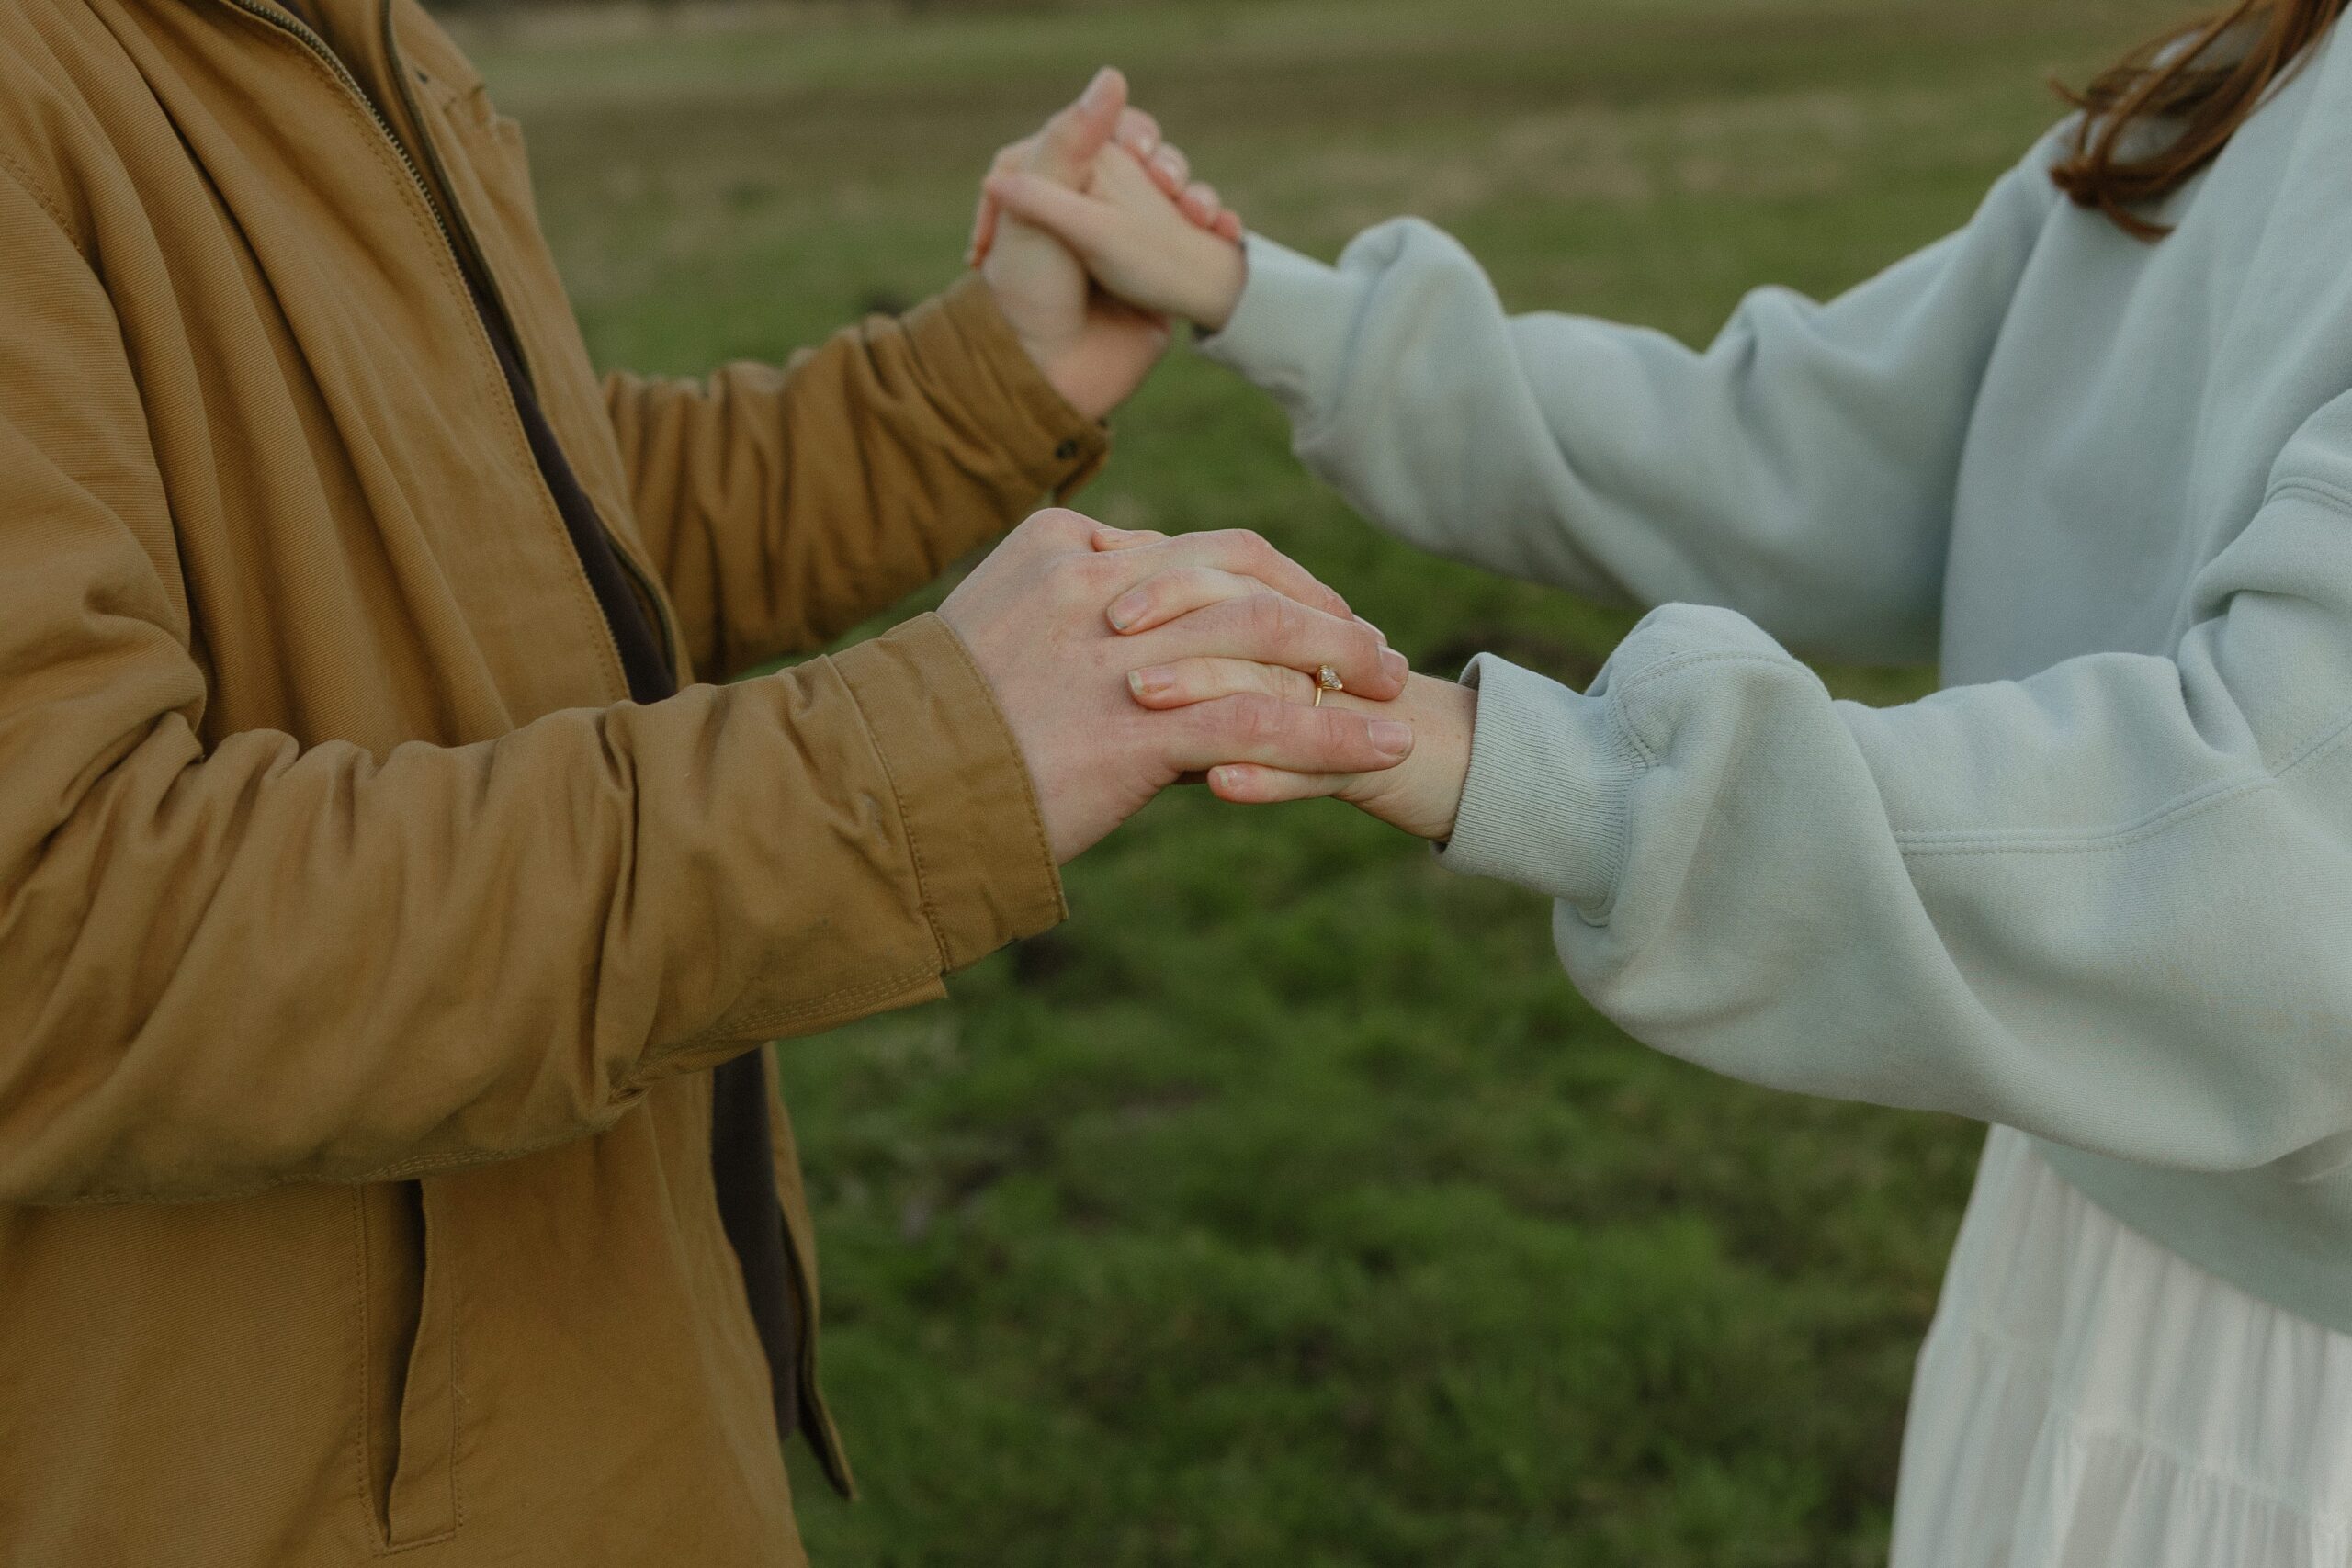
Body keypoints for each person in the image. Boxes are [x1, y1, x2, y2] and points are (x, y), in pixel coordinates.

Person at [0, 6, 1417, 1562]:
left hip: (597, 1412)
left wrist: (985, 383)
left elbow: (508, 535)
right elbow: (59, 940)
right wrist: (914, 762)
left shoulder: (345, 34)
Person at [986, 1, 2352, 1560]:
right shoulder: (2260, 67)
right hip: (2084, 1226)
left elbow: (2279, 856)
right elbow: (1818, 456)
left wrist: (1516, 761)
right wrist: (1267, 302)